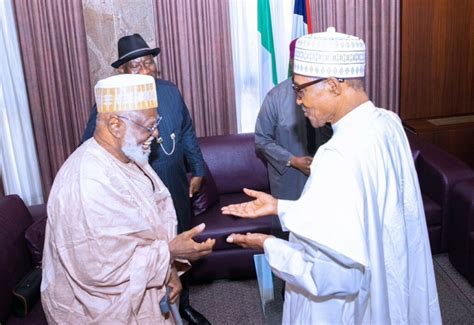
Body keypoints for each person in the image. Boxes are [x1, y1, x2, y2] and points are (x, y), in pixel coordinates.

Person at [222, 27, 441, 324]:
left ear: (334, 85)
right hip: (388, 280)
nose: (298, 101)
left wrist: (268, 245)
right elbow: (355, 217)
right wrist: (280, 206)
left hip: (348, 308)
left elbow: (331, 276)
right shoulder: (388, 123)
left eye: (301, 90)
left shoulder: (336, 154)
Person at [41, 74, 215, 324]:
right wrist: (169, 251)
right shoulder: (87, 182)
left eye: (157, 124)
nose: (155, 135)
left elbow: (144, 235)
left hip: (145, 294)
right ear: (114, 124)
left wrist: (168, 273)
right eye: (148, 126)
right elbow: (101, 270)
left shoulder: (126, 156)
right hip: (105, 311)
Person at [81, 34, 209, 324]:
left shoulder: (170, 92)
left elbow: (187, 131)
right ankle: (161, 312)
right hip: (138, 191)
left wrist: (198, 169)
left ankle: (183, 304)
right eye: (136, 66)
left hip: (174, 181)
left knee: (178, 245)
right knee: (152, 249)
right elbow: (91, 148)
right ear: (123, 72)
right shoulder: (111, 105)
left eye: (149, 63)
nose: (146, 70)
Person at [255, 38, 332, 200]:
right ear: (291, 63)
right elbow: (262, 141)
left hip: (325, 176)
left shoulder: (327, 92)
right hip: (289, 179)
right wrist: (292, 160)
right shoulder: (275, 97)